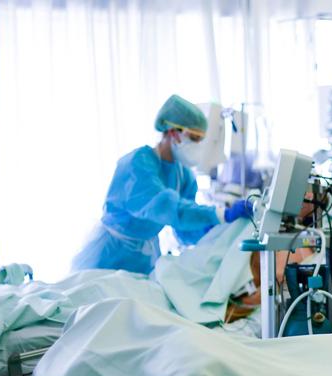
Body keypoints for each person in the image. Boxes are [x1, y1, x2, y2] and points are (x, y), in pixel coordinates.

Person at [72, 94, 253, 275]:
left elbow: (183, 229)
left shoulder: (185, 176)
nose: (199, 145)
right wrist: (221, 214)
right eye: (194, 138)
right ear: (173, 132)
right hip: (110, 255)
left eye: (201, 140)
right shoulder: (136, 164)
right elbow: (165, 206)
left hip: (146, 257)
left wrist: (214, 228)